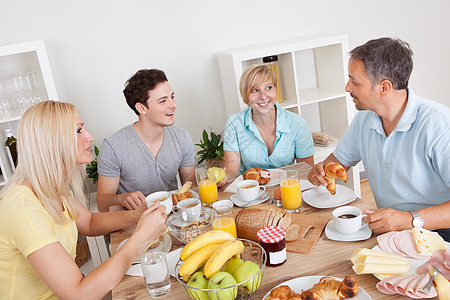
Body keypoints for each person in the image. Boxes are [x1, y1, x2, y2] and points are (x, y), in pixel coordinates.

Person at [0, 101, 167, 299]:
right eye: (79, 130)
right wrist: (142, 236)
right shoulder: (22, 207)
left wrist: (136, 216)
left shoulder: (51, 188)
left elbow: (88, 222)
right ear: (52, 141)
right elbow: (78, 294)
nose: (89, 136)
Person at [308, 37, 450, 239]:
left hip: (439, 233)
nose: (348, 88)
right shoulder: (364, 119)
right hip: (392, 231)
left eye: (354, 81)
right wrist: (323, 170)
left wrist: (409, 219)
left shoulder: (439, 125)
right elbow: (337, 163)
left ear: (384, 87)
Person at [97, 69, 195, 212]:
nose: (173, 104)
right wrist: (121, 198)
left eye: (172, 97)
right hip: (133, 223)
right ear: (142, 108)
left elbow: (190, 186)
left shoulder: (181, 137)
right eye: (163, 101)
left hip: (173, 217)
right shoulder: (113, 146)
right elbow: (102, 204)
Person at [222, 64, 315, 185]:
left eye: (268, 87)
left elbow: (305, 170)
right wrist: (223, 177)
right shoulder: (234, 124)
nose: (263, 96)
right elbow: (231, 171)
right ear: (246, 95)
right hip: (251, 191)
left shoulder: (298, 125)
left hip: (286, 189)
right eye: (255, 90)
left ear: (276, 89)